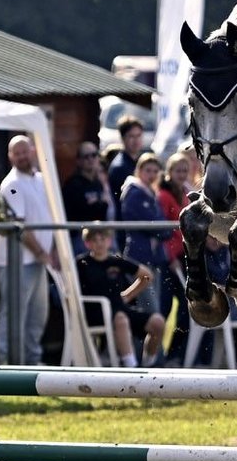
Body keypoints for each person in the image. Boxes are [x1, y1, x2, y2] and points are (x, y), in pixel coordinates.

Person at [0, 134, 56, 365]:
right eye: (15, 153)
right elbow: (19, 226)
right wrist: (42, 252)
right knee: (14, 312)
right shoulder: (12, 185)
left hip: (38, 259)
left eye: (23, 151)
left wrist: (51, 253)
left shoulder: (41, 179)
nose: (20, 156)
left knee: (38, 312)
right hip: (16, 260)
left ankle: (31, 359)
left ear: (32, 150)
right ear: (10, 157)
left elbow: (49, 218)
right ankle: (9, 360)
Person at [75, 224, 165, 367]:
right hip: (95, 312)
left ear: (109, 241)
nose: (99, 243)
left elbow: (147, 275)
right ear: (87, 243)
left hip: (120, 308)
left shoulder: (116, 260)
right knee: (121, 319)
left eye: (102, 239)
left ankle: (148, 364)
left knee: (158, 322)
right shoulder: (81, 263)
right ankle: (131, 368)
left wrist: (128, 295)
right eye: (94, 240)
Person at [118, 151, 172, 316]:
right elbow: (155, 225)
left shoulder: (150, 193)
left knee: (149, 311)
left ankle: (143, 342)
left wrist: (162, 229)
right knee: (151, 311)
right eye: (148, 170)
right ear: (139, 170)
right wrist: (162, 229)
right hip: (139, 258)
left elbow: (163, 226)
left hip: (152, 258)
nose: (152, 175)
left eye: (155, 171)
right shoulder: (134, 192)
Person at [156, 152, 192, 365]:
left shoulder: (185, 194)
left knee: (185, 309)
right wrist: (170, 257)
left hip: (183, 257)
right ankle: (157, 355)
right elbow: (164, 231)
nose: (182, 174)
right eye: (178, 170)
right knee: (164, 308)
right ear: (169, 172)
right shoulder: (163, 195)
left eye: (184, 170)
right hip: (169, 260)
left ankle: (175, 354)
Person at [61, 141, 115, 255]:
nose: (91, 159)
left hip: (99, 238)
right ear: (79, 160)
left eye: (94, 155)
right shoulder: (72, 184)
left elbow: (102, 212)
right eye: (86, 156)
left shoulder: (98, 183)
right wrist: (97, 205)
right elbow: (77, 213)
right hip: (80, 239)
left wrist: (96, 205)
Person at [106, 115, 147, 200]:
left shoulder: (139, 161)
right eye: (131, 136)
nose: (136, 140)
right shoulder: (120, 167)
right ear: (123, 138)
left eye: (139, 135)